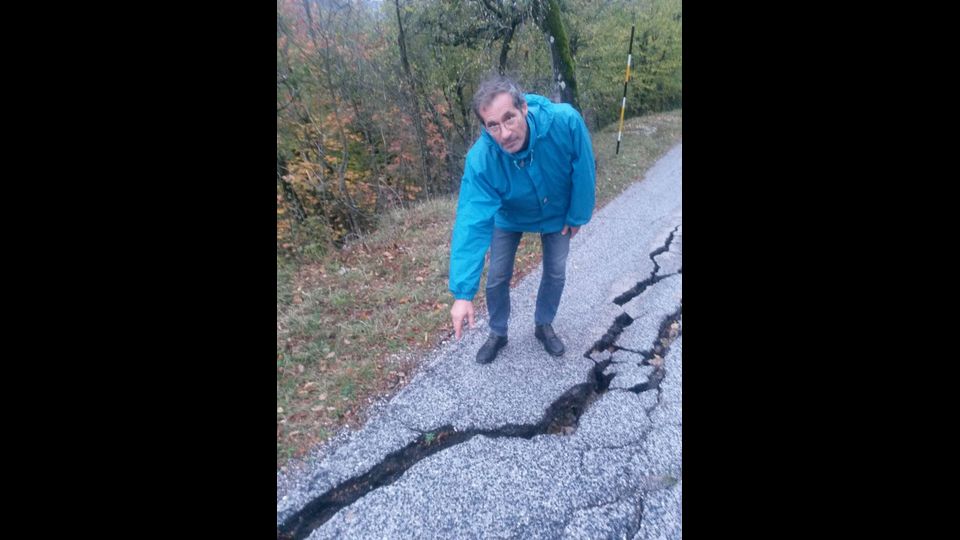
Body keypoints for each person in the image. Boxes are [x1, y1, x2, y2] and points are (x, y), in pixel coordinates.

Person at [448, 75, 596, 364]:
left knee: (555, 271)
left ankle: (543, 325)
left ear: (524, 108)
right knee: (497, 276)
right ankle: (498, 332)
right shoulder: (481, 160)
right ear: (484, 126)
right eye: (493, 125)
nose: (504, 133)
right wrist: (463, 293)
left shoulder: (565, 121)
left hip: (556, 210)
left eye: (509, 119)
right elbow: (471, 222)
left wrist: (578, 214)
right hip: (510, 214)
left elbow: (584, 167)